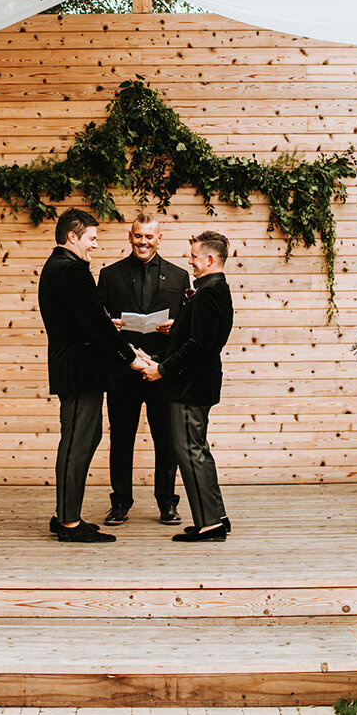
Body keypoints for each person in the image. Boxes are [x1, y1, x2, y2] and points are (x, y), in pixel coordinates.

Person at [38, 208, 147, 543]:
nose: (96, 245)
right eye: (92, 238)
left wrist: (103, 324)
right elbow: (95, 326)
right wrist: (131, 357)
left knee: (82, 438)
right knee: (77, 441)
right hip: (79, 370)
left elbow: (82, 317)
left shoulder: (58, 267)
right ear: (73, 237)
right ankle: (69, 522)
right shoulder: (72, 270)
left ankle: (65, 514)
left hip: (75, 366)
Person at [140, 231, 233, 542]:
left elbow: (198, 345)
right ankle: (216, 516)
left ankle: (208, 525)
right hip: (196, 384)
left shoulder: (209, 294)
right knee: (199, 451)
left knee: (190, 452)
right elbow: (193, 337)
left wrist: (162, 370)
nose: (190, 262)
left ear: (209, 259)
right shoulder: (214, 290)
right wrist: (159, 352)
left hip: (190, 387)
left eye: (194, 257)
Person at [97, 214, 190, 525]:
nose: (143, 241)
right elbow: (96, 322)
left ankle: (167, 503)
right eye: (138, 236)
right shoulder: (109, 275)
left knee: (167, 440)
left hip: (163, 370)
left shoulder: (179, 277)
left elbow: (190, 325)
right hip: (124, 371)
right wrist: (107, 325)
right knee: (121, 439)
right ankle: (120, 503)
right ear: (130, 236)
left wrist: (176, 327)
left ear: (159, 239)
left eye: (149, 237)